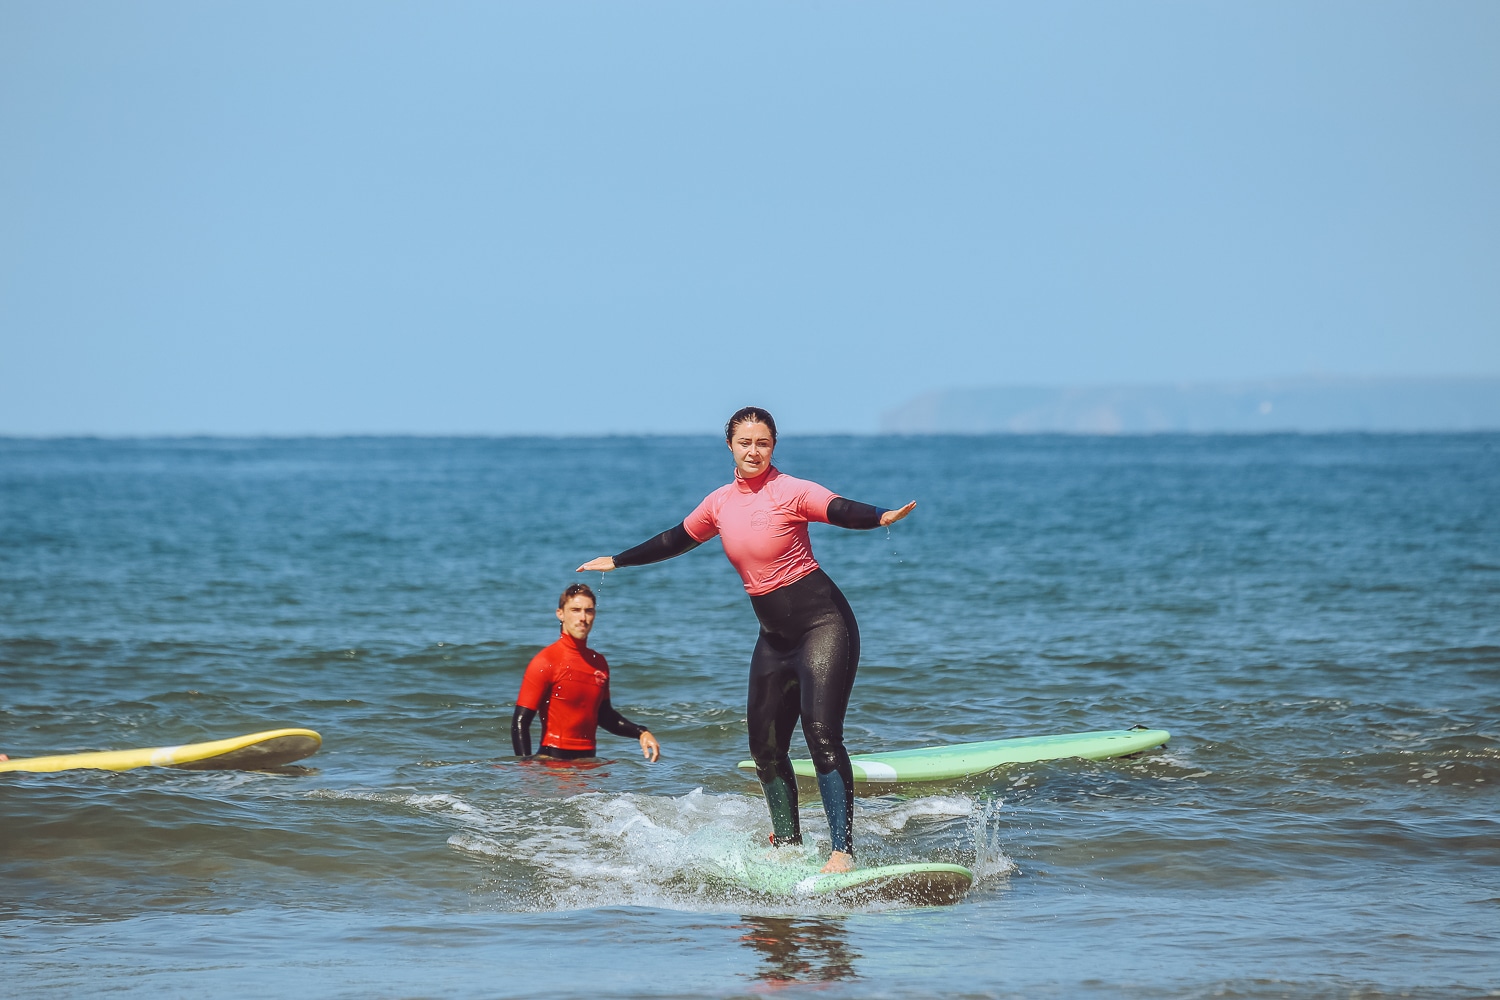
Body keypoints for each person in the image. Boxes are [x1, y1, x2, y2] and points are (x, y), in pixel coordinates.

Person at [577, 406, 915, 873]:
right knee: (765, 746)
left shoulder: (791, 491)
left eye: (763, 443)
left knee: (821, 733)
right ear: (730, 446)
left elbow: (837, 508)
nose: (754, 451)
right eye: (745, 443)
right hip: (774, 639)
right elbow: (676, 539)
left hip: (824, 625)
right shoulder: (720, 503)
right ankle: (790, 845)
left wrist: (880, 516)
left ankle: (842, 851)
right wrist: (617, 561)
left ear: (773, 446)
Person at [511, 583, 661, 763]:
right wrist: (525, 769)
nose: (583, 617)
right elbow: (520, 723)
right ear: (560, 613)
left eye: (588, 611)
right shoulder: (545, 661)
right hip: (553, 765)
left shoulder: (599, 663)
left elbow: (605, 716)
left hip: (589, 767)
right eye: (575, 610)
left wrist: (641, 732)